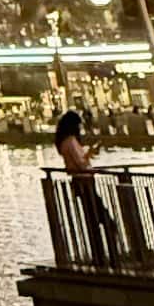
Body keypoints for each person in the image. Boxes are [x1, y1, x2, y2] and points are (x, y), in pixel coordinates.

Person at [54, 108, 118, 266]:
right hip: (84, 181)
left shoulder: (64, 142)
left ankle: (100, 256)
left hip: (79, 183)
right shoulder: (71, 141)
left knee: (93, 219)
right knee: (104, 220)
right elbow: (81, 163)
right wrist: (90, 154)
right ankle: (108, 257)